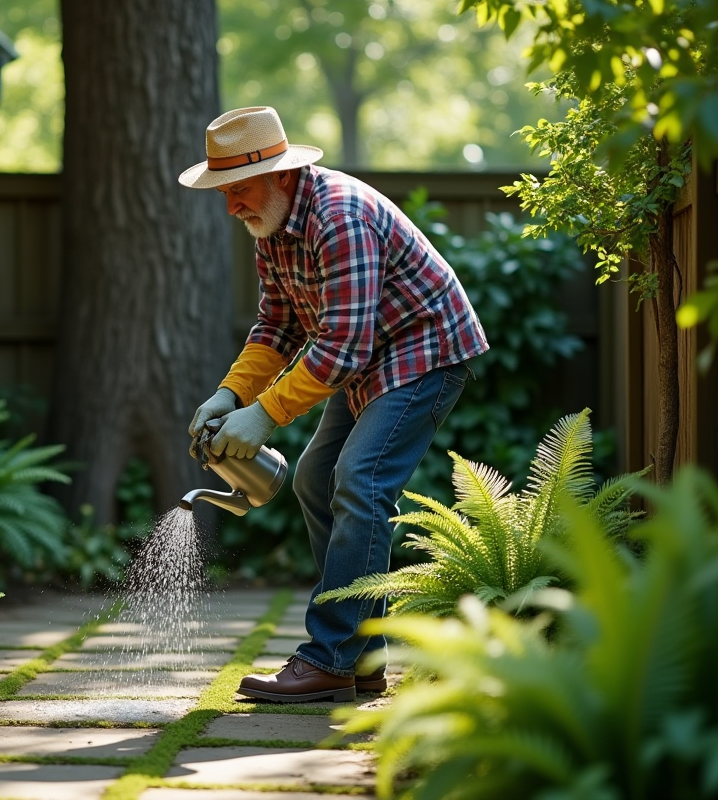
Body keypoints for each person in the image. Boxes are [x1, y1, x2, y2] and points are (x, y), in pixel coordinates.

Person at [178, 106, 488, 703]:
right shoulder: (272, 226)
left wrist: (264, 414)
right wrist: (230, 393)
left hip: (426, 350)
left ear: (282, 176)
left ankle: (331, 657)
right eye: (224, 193)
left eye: (238, 190)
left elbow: (344, 345)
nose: (230, 206)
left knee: (360, 479)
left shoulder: (339, 217)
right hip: (371, 357)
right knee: (315, 480)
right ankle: (365, 655)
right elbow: (276, 326)